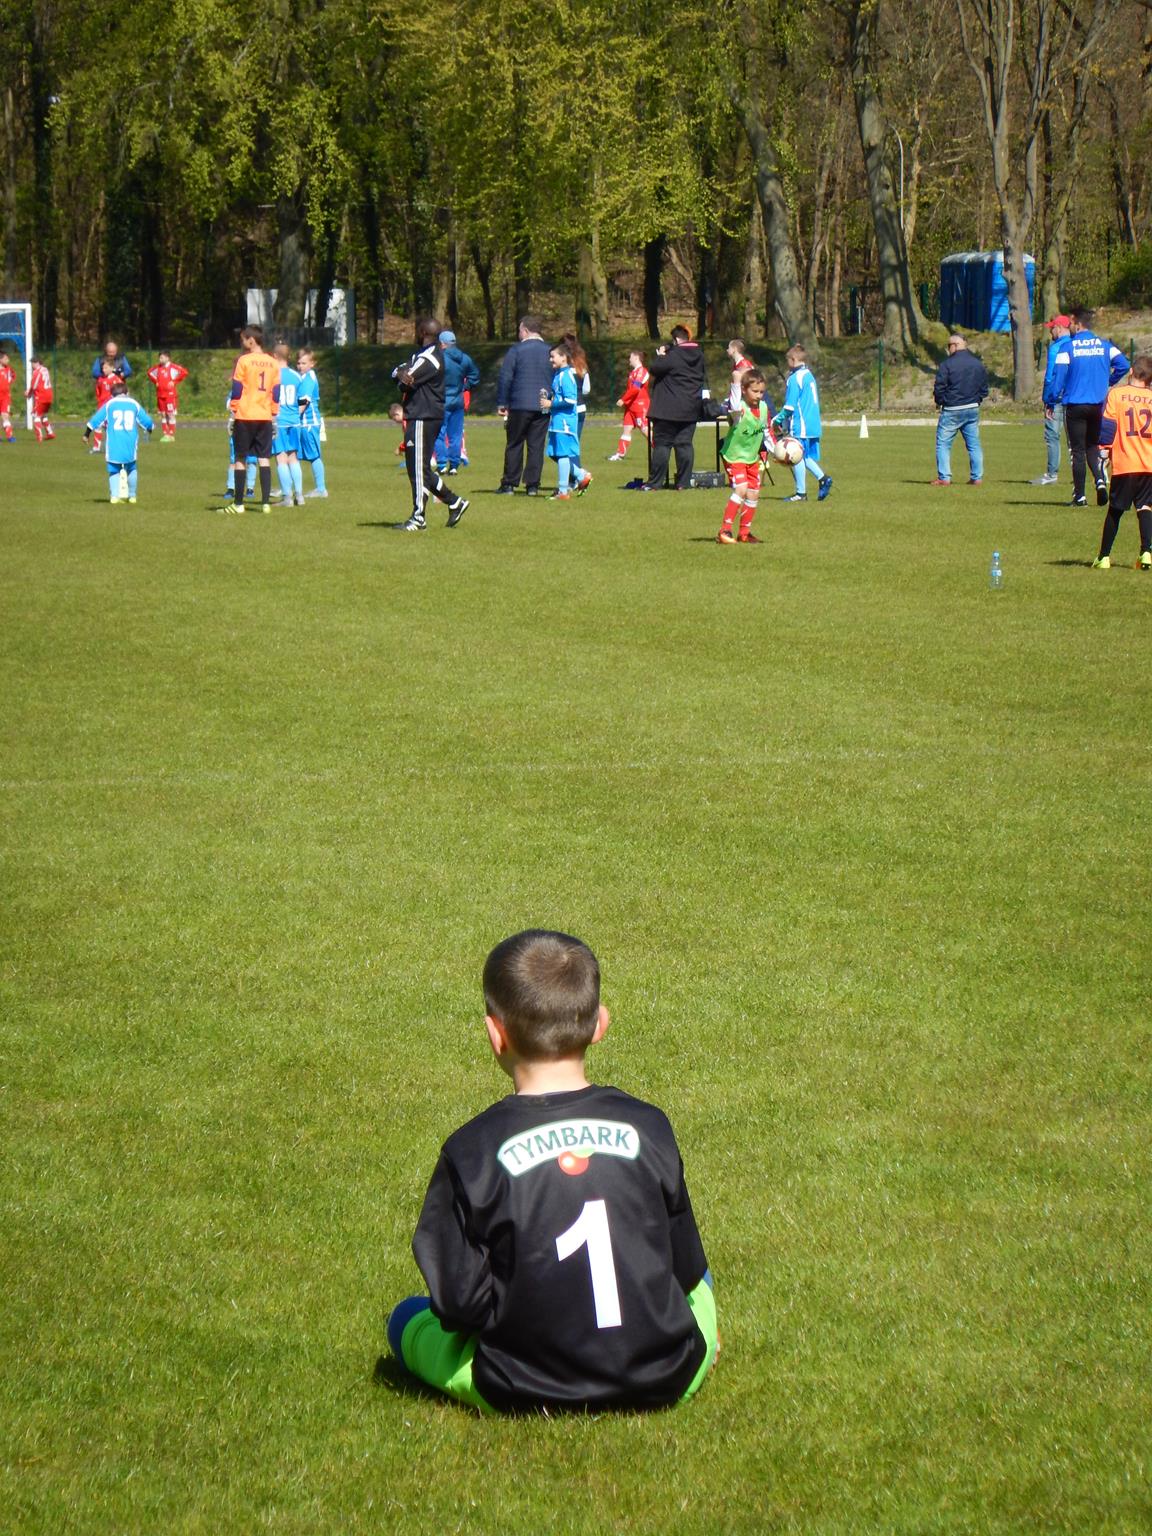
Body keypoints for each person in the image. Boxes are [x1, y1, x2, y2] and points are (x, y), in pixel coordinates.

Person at [386, 928, 718, 1414]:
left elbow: (460, 1306)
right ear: (600, 1024)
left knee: (405, 1319)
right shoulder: (649, 1125)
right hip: (667, 1374)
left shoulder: (470, 1150)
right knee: (703, 1285)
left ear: (495, 1034)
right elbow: (685, 1270)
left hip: (522, 1388)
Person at [392, 316, 469, 531]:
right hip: (422, 415)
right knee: (420, 468)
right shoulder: (422, 355)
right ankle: (455, 502)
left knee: (417, 469)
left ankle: (418, 518)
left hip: (423, 416)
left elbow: (403, 384)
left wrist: (402, 375)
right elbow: (398, 372)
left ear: (423, 333)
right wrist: (401, 373)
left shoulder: (429, 359)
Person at [1049, 307, 1131, 507]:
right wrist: (1109, 381)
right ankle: (1100, 480)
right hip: (1097, 405)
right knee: (1092, 446)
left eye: (1071, 323)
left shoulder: (1067, 348)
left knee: (1077, 451)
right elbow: (1124, 365)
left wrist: (1050, 400)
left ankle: (1080, 496)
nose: (1070, 327)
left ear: (1077, 324)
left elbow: (1058, 379)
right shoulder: (1105, 345)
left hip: (1075, 405)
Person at [1092, 352, 1152, 571]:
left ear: (1131, 372)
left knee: (1115, 510)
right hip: (1148, 464)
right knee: (1145, 506)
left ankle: (1104, 557)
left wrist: (1104, 452)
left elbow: (1108, 426)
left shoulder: (1117, 394)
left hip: (1126, 462)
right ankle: (1146, 552)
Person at [220, 324, 279, 515]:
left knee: (240, 458)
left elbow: (237, 389)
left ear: (251, 340)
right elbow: (276, 391)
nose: (242, 342)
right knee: (264, 459)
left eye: (243, 339)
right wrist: (274, 414)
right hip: (264, 416)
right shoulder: (273, 362)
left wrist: (233, 411)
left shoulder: (244, 361)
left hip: (245, 415)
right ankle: (265, 503)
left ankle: (238, 504)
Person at [642, 325, 708, 492]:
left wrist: (661, 355)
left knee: (662, 445)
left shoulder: (673, 355)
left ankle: (655, 483)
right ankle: (683, 483)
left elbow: (655, 369)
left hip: (667, 409)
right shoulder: (699, 355)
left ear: (677, 340)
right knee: (684, 445)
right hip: (690, 408)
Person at [496, 316, 552, 495]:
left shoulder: (516, 350)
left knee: (515, 443)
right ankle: (532, 485)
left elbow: (506, 377)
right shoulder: (551, 351)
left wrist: (503, 402)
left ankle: (509, 484)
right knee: (537, 445)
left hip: (520, 403)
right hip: (543, 404)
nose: (519, 334)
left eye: (520, 331)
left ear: (526, 331)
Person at [717, 367, 773, 544]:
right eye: (754, 391)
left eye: (761, 392)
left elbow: (767, 431)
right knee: (741, 489)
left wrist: (778, 451)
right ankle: (725, 531)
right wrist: (735, 381)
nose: (759, 395)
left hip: (751, 458)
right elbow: (733, 406)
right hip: (734, 457)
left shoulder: (763, 408)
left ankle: (744, 533)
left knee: (753, 493)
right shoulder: (739, 409)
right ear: (744, 390)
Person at [83, 375, 153, 504]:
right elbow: (147, 421)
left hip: (114, 443)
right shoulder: (134, 404)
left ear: (112, 395)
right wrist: (149, 429)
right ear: (127, 393)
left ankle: (114, 496)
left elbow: (96, 420)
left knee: (114, 470)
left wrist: (86, 434)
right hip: (130, 443)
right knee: (131, 468)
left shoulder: (110, 404)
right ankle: (132, 496)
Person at [776, 345, 831, 502]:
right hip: (813, 423)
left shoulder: (794, 378)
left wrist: (777, 420)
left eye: (787, 360)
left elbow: (789, 406)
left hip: (801, 423)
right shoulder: (808, 375)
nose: (787, 364)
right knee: (803, 455)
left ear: (793, 360)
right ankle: (823, 479)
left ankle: (801, 493)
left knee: (796, 455)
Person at [932, 334, 988, 487]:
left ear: (954, 346)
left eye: (949, 346)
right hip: (972, 408)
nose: (948, 349)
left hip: (952, 409)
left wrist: (940, 401)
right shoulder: (977, 363)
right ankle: (977, 477)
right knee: (973, 444)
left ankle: (944, 477)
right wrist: (977, 399)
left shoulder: (947, 364)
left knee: (943, 444)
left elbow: (939, 387)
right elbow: (984, 388)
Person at [540, 341, 592, 502]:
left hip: (564, 422)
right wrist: (550, 397)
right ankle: (581, 475)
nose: (550, 359)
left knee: (562, 454)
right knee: (554, 453)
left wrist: (551, 403)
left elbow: (570, 401)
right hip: (557, 421)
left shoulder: (566, 375)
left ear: (563, 358)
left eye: (553, 356)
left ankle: (563, 491)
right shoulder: (558, 374)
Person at [1031, 315, 1071, 486]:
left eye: (1052, 328)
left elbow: (1050, 377)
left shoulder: (1056, 348)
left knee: (1052, 436)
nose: (1050, 332)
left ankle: (1052, 474)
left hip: (1057, 398)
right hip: (1074, 398)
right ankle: (1079, 475)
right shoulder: (1075, 345)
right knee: (1074, 439)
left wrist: (1048, 399)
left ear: (1059, 328)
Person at [432, 330, 480, 475]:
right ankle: (454, 466)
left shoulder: (438, 358)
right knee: (455, 435)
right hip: (458, 401)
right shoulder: (464, 358)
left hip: (441, 401)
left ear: (442, 343)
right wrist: (464, 387)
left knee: (438, 433)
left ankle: (441, 464)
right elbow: (474, 376)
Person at [271, 342, 305, 506]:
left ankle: (287, 497)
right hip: (295, 422)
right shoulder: (296, 376)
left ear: (275, 356)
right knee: (293, 458)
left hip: (279, 422)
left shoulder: (273, 375)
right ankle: (299, 495)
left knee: (281, 458)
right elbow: (303, 400)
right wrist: (296, 414)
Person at [296, 348, 329, 498]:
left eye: (304, 363)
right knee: (293, 455)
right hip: (303, 423)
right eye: (298, 363)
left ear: (312, 364)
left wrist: (293, 417)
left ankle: (321, 489)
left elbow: (304, 401)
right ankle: (289, 488)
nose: (300, 366)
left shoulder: (309, 379)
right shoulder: (302, 377)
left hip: (309, 422)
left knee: (314, 455)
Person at [609, 350, 650, 461]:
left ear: (636, 358)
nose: (629, 359)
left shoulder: (642, 371)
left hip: (640, 406)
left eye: (630, 357)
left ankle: (660, 450)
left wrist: (623, 399)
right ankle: (620, 454)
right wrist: (627, 402)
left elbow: (636, 389)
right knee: (626, 429)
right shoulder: (633, 372)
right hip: (630, 407)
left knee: (645, 430)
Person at [146, 351, 189, 444]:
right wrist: (156, 381)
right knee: (163, 414)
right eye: (159, 358)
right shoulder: (158, 367)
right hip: (160, 394)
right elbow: (149, 372)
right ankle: (166, 434)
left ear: (167, 358)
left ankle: (171, 434)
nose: (160, 359)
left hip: (170, 395)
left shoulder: (173, 367)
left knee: (170, 414)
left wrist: (174, 381)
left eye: (162, 357)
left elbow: (184, 372)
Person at [562, 332, 592, 442]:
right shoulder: (582, 368)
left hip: (566, 409)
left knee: (564, 443)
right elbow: (586, 390)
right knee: (575, 442)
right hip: (580, 408)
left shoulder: (562, 372)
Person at [26, 355, 55, 442]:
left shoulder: (37, 372)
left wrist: (29, 393)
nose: (32, 365)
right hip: (49, 395)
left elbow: (34, 385)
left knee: (36, 416)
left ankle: (39, 437)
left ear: (37, 363)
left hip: (41, 396)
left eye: (33, 363)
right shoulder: (45, 369)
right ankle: (50, 433)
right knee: (43, 415)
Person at [725, 338, 754, 411]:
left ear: (734, 349)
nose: (727, 350)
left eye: (729, 348)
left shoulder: (744, 365)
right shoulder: (737, 364)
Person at [0, 347, 17, 441]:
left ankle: (9, 436)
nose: (8, 360)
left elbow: (13, 376)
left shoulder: (8, 369)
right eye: (6, 359)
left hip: (5, 397)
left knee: (5, 415)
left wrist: (7, 384)